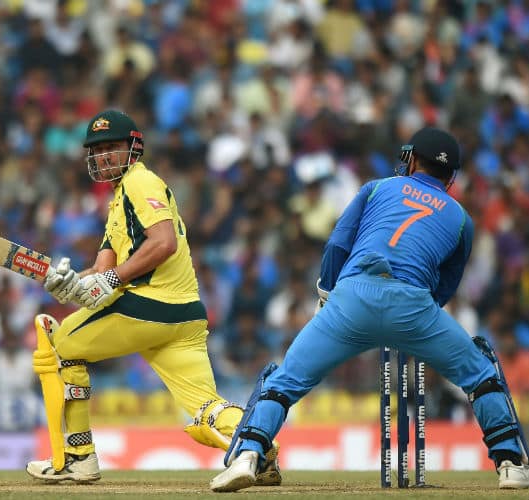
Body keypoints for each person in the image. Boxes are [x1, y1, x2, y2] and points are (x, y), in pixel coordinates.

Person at [211, 127, 529, 492]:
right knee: (481, 374)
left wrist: (327, 297)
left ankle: (249, 455)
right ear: (452, 175)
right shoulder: (460, 219)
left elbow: (336, 246)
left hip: (351, 299)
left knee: (284, 381)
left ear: (412, 160)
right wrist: (418, 327)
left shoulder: (377, 188)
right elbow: (445, 286)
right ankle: (510, 465)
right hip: (414, 306)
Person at [25, 110, 280, 484]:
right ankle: (261, 451)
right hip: (184, 316)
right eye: (97, 150)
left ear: (134, 149)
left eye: (112, 147)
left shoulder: (139, 183)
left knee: (61, 346)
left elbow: (162, 244)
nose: (104, 156)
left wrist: (108, 279)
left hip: (151, 306)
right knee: (206, 409)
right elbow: (102, 270)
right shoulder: (117, 202)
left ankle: (78, 457)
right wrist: (69, 283)